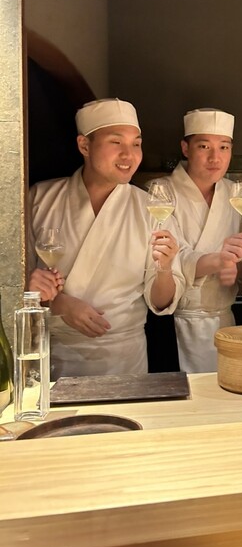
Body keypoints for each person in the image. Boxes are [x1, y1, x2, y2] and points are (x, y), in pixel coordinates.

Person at [28, 98, 184, 378]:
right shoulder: (40, 199)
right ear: (84, 146)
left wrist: (165, 267)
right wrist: (58, 303)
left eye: (136, 144)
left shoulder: (151, 209)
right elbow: (15, 277)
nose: (129, 155)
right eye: (116, 142)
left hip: (123, 358)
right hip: (52, 354)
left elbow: (161, 303)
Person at [165, 108, 242, 372]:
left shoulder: (237, 195)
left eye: (224, 147)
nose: (215, 157)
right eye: (204, 146)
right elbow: (167, 259)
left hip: (225, 321)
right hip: (173, 324)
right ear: (186, 148)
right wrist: (217, 261)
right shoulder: (161, 193)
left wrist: (235, 270)